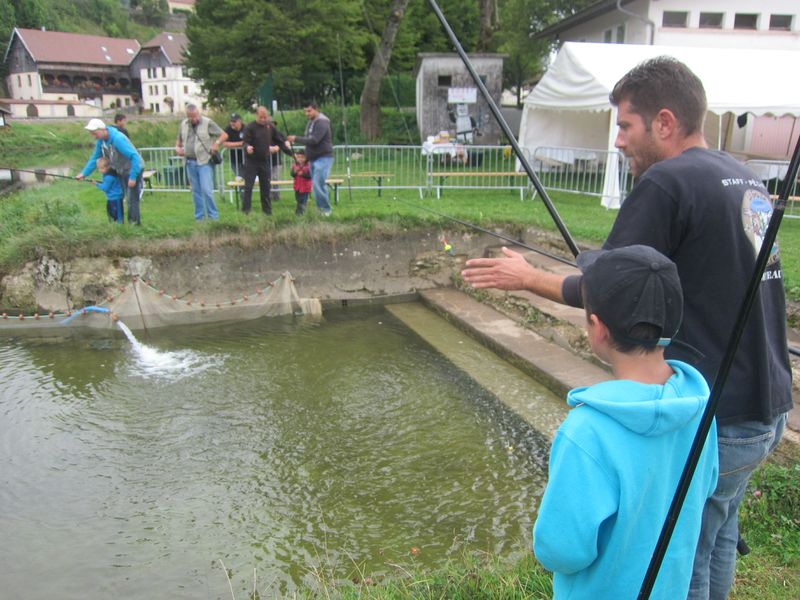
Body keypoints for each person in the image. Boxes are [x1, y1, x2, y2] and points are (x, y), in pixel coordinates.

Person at [461, 56, 791, 600]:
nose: (617, 141)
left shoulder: (667, 182)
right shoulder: (740, 175)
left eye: (625, 125)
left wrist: (527, 278)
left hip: (716, 417)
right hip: (766, 405)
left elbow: (607, 290)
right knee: (718, 537)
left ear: (664, 122)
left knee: (683, 559)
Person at [533, 244, 718, 599]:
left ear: (597, 328)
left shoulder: (585, 432)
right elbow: (706, 486)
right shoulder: (699, 405)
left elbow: (560, 550)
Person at [77, 118, 144, 225]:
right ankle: (120, 223)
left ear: (102, 129)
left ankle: (134, 225)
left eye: (95, 133)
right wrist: (84, 173)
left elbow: (135, 157)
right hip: (120, 170)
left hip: (133, 169)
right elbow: (95, 158)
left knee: (131, 199)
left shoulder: (117, 139)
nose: (94, 136)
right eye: (92, 134)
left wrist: (133, 177)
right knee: (123, 196)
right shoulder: (101, 142)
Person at [175, 103, 225, 221]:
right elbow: (179, 140)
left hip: (204, 161)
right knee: (196, 191)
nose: (194, 119)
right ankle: (199, 218)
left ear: (198, 113)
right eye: (191, 117)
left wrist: (216, 144)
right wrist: (177, 148)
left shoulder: (207, 122)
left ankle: (213, 217)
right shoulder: (183, 124)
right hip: (190, 162)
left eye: (196, 115)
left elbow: (223, 135)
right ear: (187, 116)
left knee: (207, 190)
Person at [241, 106, 292, 216]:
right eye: (261, 117)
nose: (263, 119)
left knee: (265, 187)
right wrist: (247, 147)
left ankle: (267, 211)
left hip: (264, 161)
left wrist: (290, 153)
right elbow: (245, 142)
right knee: (248, 187)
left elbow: (279, 140)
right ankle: (246, 211)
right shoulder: (250, 127)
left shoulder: (270, 127)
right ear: (256, 115)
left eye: (265, 117)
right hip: (251, 161)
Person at [287, 102, 334, 216]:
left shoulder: (322, 122)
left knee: (318, 183)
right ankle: (321, 210)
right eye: (305, 111)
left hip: (323, 157)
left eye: (309, 111)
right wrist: (306, 158)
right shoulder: (310, 122)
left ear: (316, 109)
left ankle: (325, 210)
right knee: (316, 185)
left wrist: (296, 138)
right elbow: (308, 141)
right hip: (313, 158)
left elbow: (314, 140)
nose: (307, 114)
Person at [94, 156, 124, 224]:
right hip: (110, 198)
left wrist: (96, 184)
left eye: (102, 168)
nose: (100, 170)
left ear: (107, 167)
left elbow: (105, 188)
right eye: (99, 168)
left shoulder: (109, 177)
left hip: (116, 197)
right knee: (111, 213)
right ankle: (112, 225)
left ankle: (120, 225)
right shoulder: (107, 174)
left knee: (118, 214)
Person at [220, 113, 245, 179]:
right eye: (231, 121)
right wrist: (240, 143)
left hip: (247, 159)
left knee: (248, 177)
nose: (232, 123)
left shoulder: (246, 128)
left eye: (234, 121)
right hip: (235, 160)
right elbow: (224, 143)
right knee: (241, 177)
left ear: (240, 121)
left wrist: (232, 144)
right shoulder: (228, 129)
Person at [291, 150, 312, 216]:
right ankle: (299, 212)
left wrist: (303, 174)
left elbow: (310, 176)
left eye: (302, 157)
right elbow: (292, 174)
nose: (300, 159)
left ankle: (300, 213)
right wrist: (295, 172)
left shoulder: (309, 166)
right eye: (298, 157)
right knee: (298, 200)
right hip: (297, 187)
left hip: (305, 188)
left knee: (302, 201)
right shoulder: (295, 165)